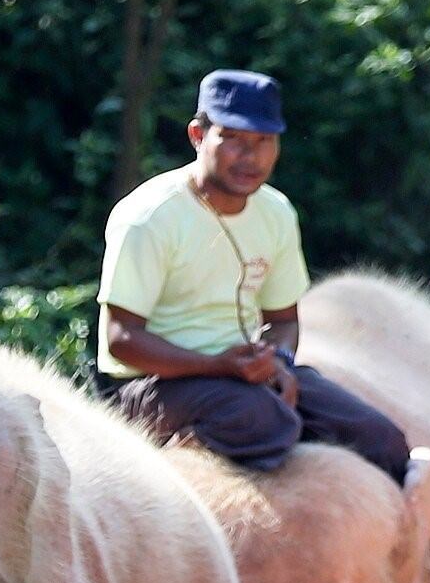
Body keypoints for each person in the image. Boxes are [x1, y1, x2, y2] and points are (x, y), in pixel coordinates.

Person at [96, 70, 412, 483]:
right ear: (197, 135)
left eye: (264, 141)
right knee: (262, 420)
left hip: (244, 375)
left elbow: (282, 320)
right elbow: (122, 342)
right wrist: (216, 367)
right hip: (152, 385)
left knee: (380, 440)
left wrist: (277, 361)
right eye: (234, 139)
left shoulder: (276, 211)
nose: (251, 156)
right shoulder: (150, 217)